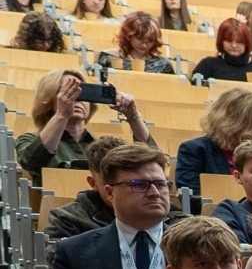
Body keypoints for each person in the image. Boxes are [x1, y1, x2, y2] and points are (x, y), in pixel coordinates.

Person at [50, 142, 179, 269]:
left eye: (161, 184)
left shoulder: (193, 248)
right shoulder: (74, 252)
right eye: (139, 184)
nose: (154, 193)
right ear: (110, 193)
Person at [17, 68, 152, 184]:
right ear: (49, 100)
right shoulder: (28, 140)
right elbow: (31, 163)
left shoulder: (105, 146)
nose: (77, 99)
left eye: (82, 92)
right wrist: (61, 115)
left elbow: (151, 163)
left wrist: (133, 116)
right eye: (68, 92)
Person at [189, 16, 252, 86]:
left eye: (239, 42)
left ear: (246, 43)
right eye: (229, 41)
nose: (234, 45)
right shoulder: (208, 65)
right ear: (221, 41)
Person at [99, 12, 176, 75]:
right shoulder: (108, 57)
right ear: (128, 35)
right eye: (139, 38)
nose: (144, 45)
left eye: (150, 40)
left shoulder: (163, 64)